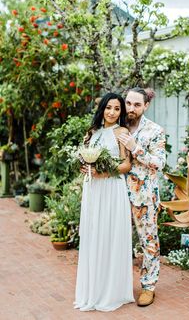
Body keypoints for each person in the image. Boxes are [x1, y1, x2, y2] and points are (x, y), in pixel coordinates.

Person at [74, 93, 135, 312]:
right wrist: (84, 168)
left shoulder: (122, 132)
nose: (112, 112)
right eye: (108, 107)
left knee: (109, 235)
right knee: (93, 235)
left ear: (121, 112)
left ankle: (111, 291)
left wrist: (102, 172)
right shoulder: (92, 133)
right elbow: (83, 157)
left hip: (112, 188)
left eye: (117, 109)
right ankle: (93, 289)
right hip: (94, 190)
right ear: (102, 108)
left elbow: (126, 165)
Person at [118, 87, 166, 307]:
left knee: (148, 242)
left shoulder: (155, 130)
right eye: (128, 103)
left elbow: (159, 163)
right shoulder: (117, 127)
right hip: (116, 195)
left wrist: (135, 147)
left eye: (137, 104)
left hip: (144, 197)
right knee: (117, 241)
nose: (131, 108)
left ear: (146, 106)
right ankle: (118, 286)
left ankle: (148, 287)